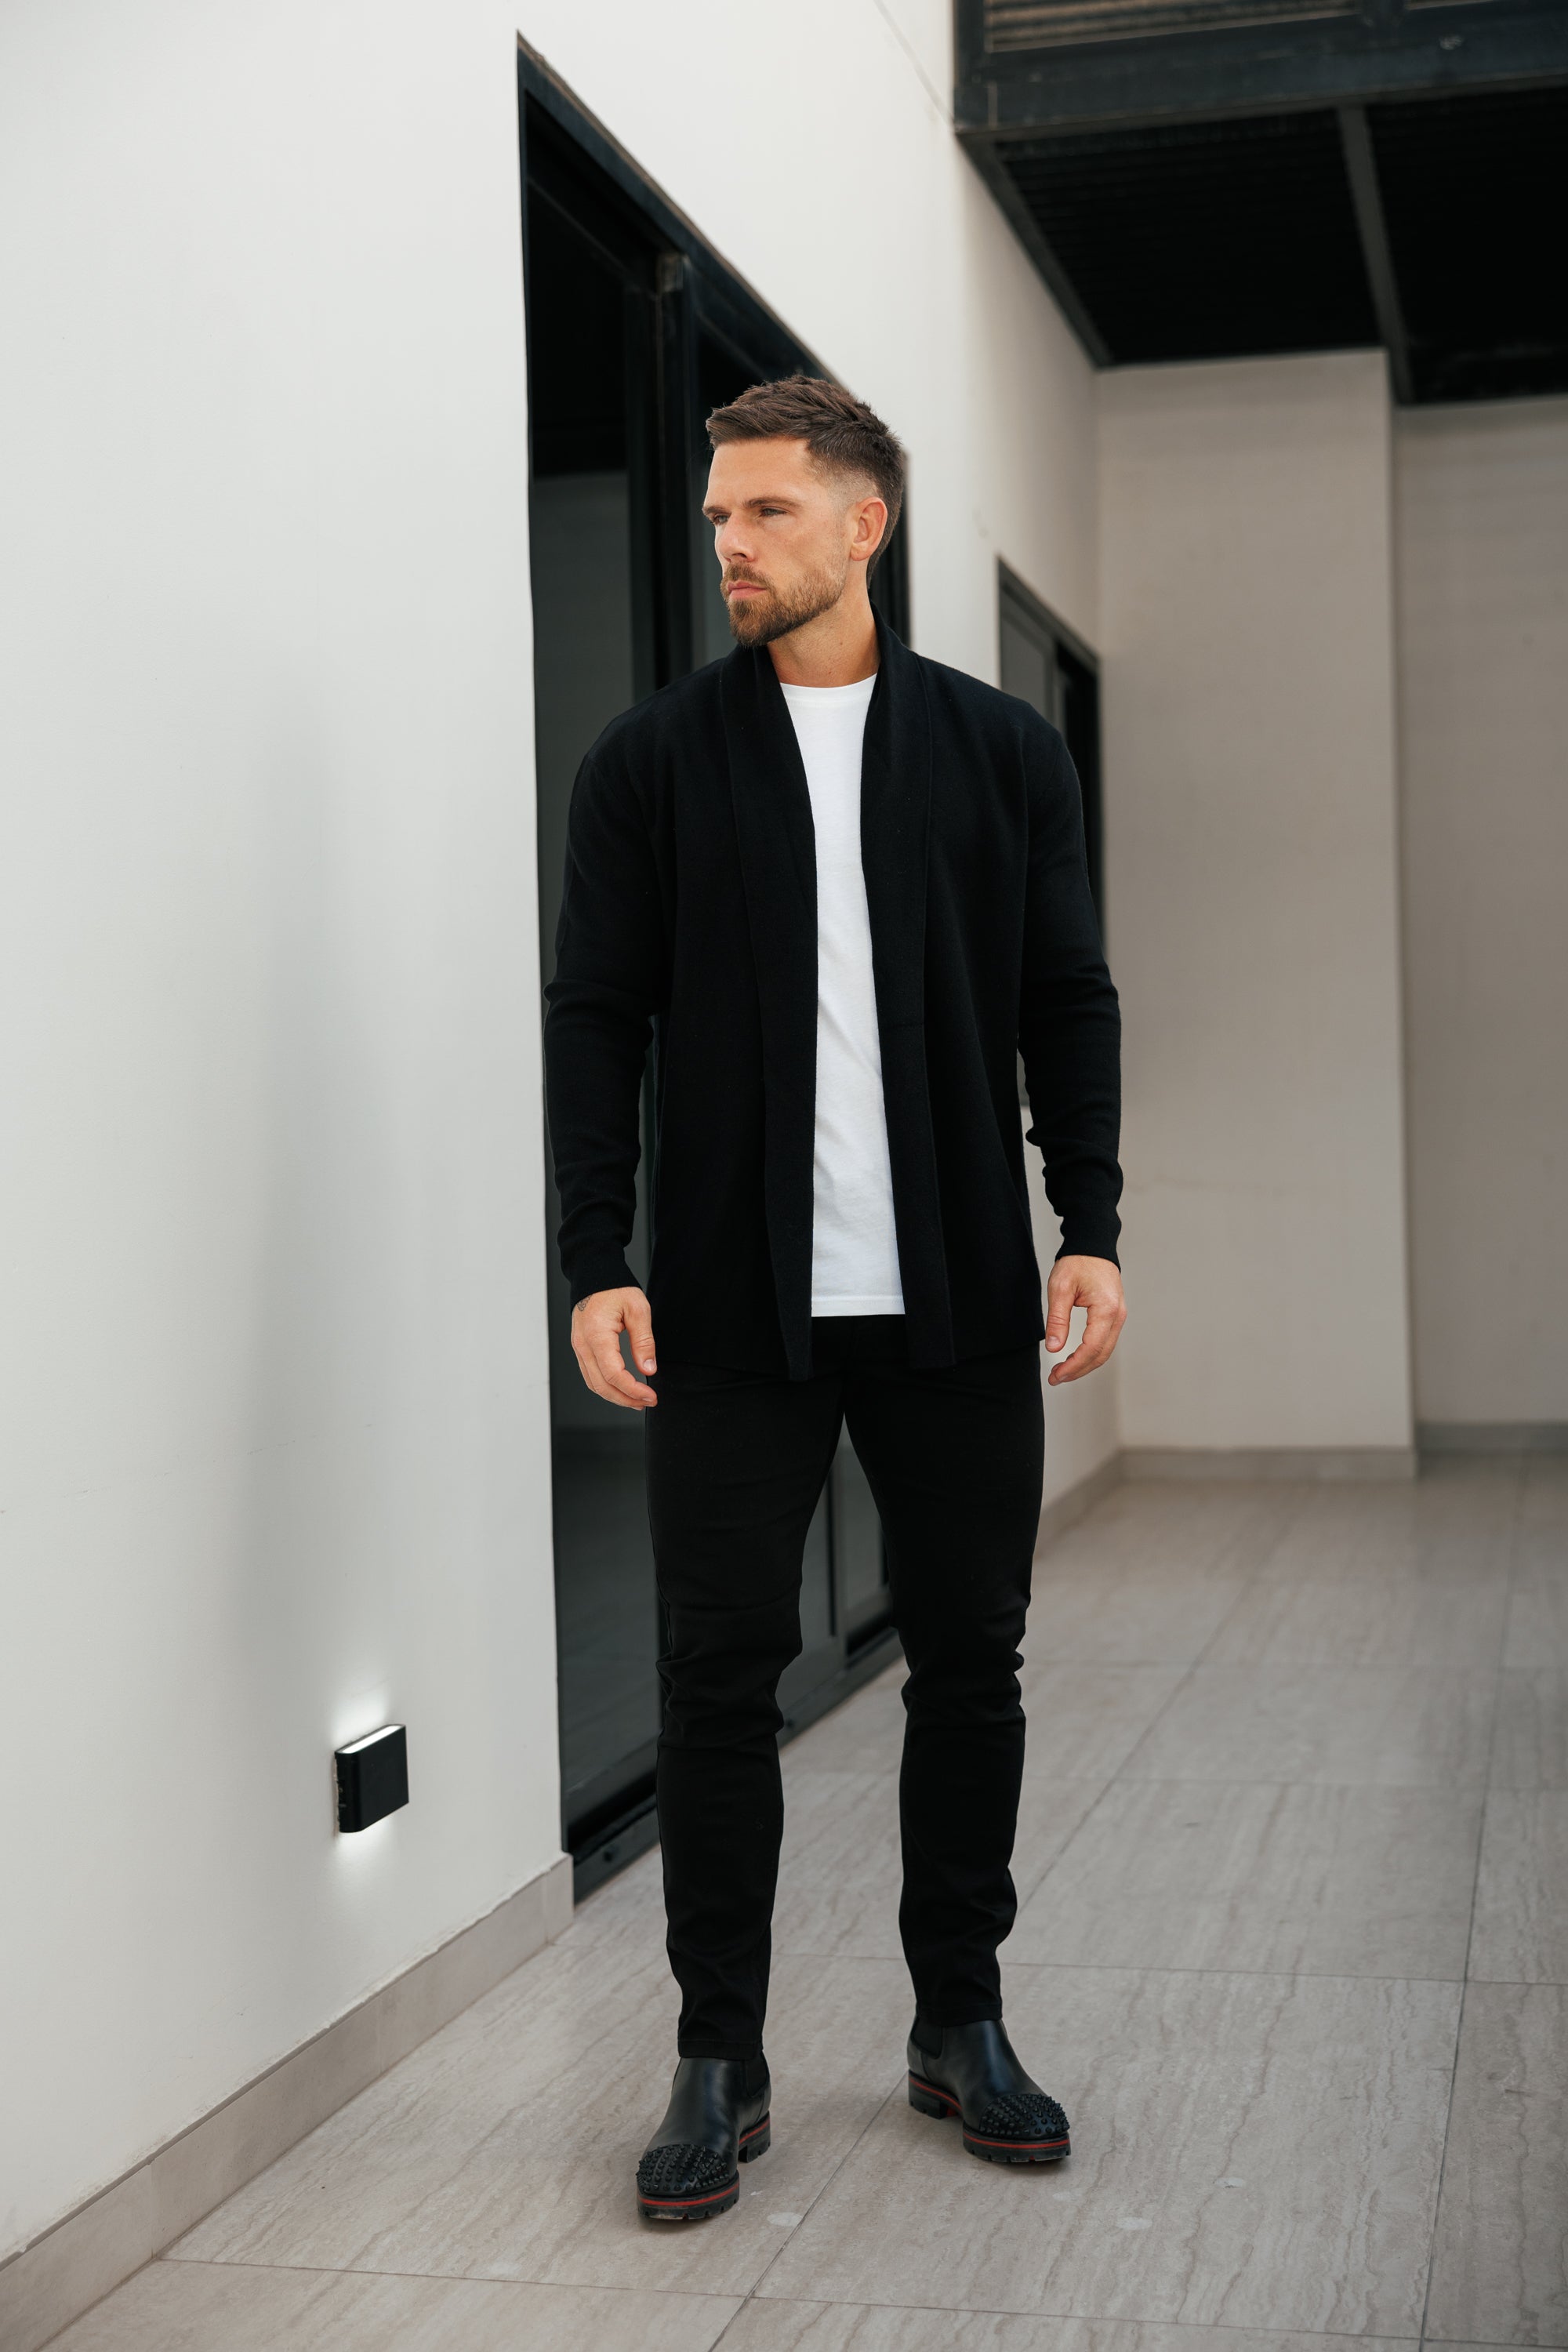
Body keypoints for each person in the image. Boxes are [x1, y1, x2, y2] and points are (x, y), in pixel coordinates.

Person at [543, 375, 1124, 2223]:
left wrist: (1086, 1220)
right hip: (727, 1308)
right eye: (716, 514)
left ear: (862, 524)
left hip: (955, 1298)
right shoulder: (650, 763)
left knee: (971, 1666)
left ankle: (959, 2019)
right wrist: (595, 1259)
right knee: (717, 1682)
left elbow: (1067, 998)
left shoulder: (998, 753)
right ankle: (721, 2055)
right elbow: (595, 1020)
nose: (729, 541)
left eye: (765, 512)